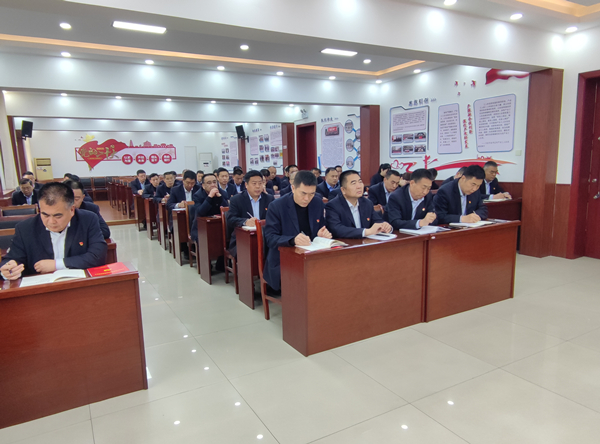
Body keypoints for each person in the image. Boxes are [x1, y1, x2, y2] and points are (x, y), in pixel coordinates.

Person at [0, 182, 107, 279]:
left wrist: (56, 264)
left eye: (58, 216)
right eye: (45, 215)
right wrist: (9, 269)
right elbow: (11, 259)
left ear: (71, 210)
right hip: (40, 288)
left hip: (79, 284)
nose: (51, 222)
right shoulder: (25, 228)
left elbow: (98, 256)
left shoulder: (87, 220)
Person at [263, 171, 332, 292]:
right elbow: (270, 237)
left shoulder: (317, 203)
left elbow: (320, 227)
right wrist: (292, 240)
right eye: (303, 193)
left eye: (312, 194)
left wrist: (320, 234)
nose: (307, 199)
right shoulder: (277, 206)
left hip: (311, 256)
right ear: (293, 188)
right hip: (284, 260)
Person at [325, 170, 392, 238]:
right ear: (343, 190)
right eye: (353, 183)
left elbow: (378, 221)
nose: (359, 186)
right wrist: (366, 232)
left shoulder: (367, 203)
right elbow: (337, 229)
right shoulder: (333, 206)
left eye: (360, 182)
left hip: (366, 242)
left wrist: (384, 226)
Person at [226, 170, 275, 256]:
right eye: (254, 183)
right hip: (243, 238)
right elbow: (230, 219)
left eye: (260, 183)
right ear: (246, 185)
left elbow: (275, 218)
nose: (258, 186)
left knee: (274, 251)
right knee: (250, 252)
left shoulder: (269, 199)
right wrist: (245, 222)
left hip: (265, 236)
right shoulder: (236, 200)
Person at [190, 173, 228, 242]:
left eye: (214, 182)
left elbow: (227, 211)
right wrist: (210, 197)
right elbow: (200, 212)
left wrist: (220, 198)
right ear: (203, 186)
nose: (213, 185)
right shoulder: (198, 195)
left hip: (219, 226)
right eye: (209, 183)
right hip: (201, 228)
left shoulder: (222, 193)